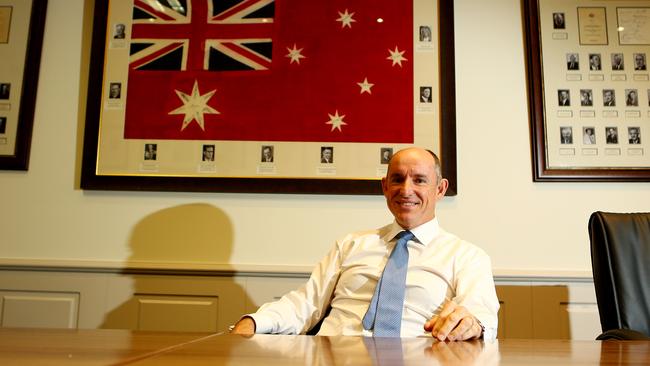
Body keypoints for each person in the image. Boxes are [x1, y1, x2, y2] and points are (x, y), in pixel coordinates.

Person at [231, 147, 499, 340]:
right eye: (397, 179)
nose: (406, 190)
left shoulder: (468, 256)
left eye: (419, 180)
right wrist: (254, 322)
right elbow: (305, 303)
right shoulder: (351, 244)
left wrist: (472, 324)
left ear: (439, 189)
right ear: (385, 187)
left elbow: (481, 313)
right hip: (334, 356)